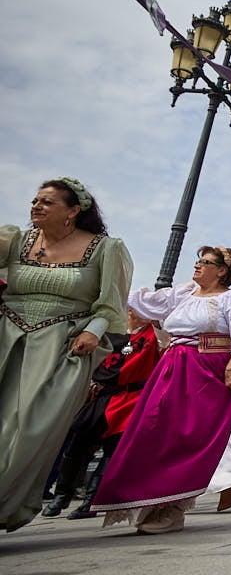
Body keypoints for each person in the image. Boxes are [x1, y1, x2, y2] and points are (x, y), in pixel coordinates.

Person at [92, 246, 231, 534]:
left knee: (188, 436)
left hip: (206, 371)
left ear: (222, 271)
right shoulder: (181, 294)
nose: (197, 265)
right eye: (198, 260)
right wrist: (105, 274)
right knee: (153, 430)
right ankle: (149, 498)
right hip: (171, 368)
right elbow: (137, 301)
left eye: (206, 262)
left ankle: (174, 507)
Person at [0, 179, 133, 532]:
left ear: (73, 211)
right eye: (35, 200)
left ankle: (5, 502)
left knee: (31, 428)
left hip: (64, 344)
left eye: (47, 201)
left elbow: (111, 303)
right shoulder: (13, 241)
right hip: (6, 334)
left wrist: (94, 329)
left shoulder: (105, 248)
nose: (36, 206)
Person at [42, 308, 161, 520]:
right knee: (77, 446)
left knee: (111, 452)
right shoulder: (110, 332)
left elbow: (155, 339)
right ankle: (62, 495)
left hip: (131, 398)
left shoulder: (154, 334)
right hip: (101, 396)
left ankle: (91, 501)